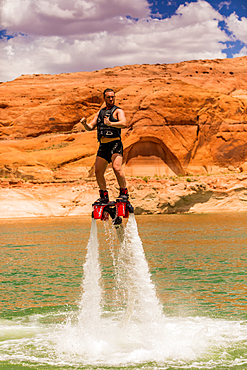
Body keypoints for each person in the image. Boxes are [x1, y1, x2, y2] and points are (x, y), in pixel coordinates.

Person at [80, 88, 129, 204]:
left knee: (116, 168)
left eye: (113, 97)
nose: (111, 99)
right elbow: (90, 127)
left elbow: (123, 123)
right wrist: (84, 124)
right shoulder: (100, 113)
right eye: (108, 97)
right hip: (103, 145)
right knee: (98, 171)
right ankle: (104, 195)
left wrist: (111, 123)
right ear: (104, 98)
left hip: (115, 144)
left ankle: (124, 193)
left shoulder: (118, 111)